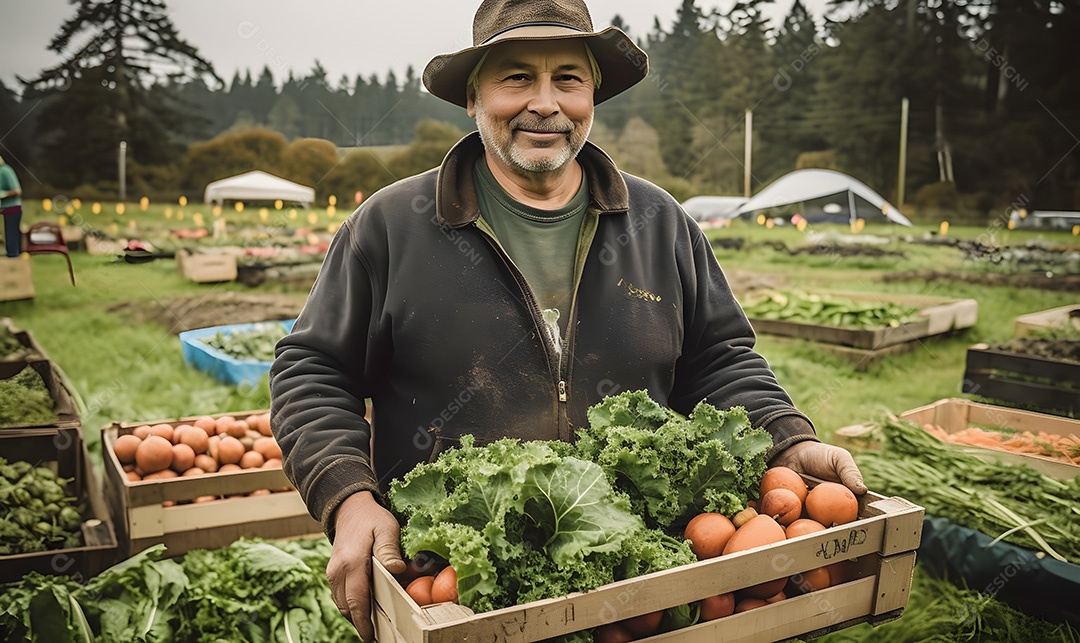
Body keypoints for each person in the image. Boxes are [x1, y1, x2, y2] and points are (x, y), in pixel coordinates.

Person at [270, 0, 866, 638]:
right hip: (456, 591)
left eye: (568, 80)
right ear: (474, 96)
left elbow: (719, 358)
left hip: (639, 585)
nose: (546, 104)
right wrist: (349, 498)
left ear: (594, 95)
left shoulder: (658, 222)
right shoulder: (391, 227)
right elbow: (312, 370)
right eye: (517, 78)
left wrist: (786, 435)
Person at [0, 155, 23, 257]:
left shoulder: (5, 171)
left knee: (12, 234)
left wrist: (3, 194)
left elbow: (17, 190)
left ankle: (14, 255)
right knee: (10, 234)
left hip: (12, 207)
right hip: (4, 208)